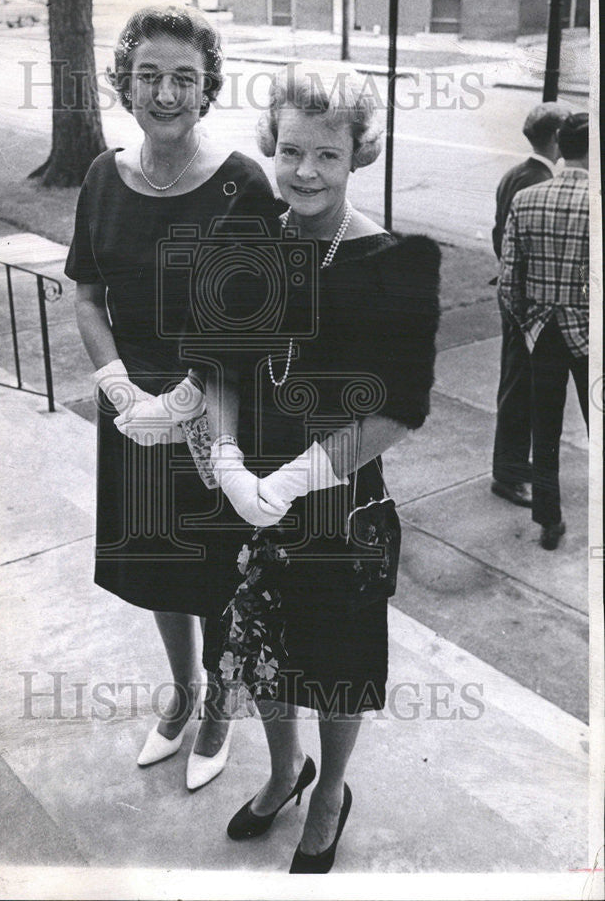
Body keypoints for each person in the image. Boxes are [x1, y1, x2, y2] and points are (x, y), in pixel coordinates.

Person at [203, 63, 440, 872]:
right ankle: (282, 772)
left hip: (338, 505)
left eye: (327, 156)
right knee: (266, 651)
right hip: (247, 498)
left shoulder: (392, 262)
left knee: (337, 665)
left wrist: (293, 480)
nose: (305, 172)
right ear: (272, 146)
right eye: (292, 150)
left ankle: (330, 789)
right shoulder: (249, 241)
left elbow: (397, 409)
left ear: (356, 157)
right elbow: (224, 369)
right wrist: (230, 458)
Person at [64, 6, 281, 789]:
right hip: (133, 411)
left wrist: (188, 396)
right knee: (158, 566)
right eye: (149, 74)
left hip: (216, 407)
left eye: (183, 78)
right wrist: (116, 383)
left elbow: (257, 317)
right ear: (125, 83)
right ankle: (185, 690)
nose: (164, 92)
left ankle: (222, 704)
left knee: (218, 570)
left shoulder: (239, 184)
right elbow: (88, 294)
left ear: (207, 89)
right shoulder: (100, 176)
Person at [498, 112, 589, 550]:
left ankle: (549, 522)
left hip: (544, 333)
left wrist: (530, 325)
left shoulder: (529, 199)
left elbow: (509, 280)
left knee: (545, 432)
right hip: (590, 333)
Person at [490, 102, 570, 506]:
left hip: (514, 297)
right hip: (528, 305)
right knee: (520, 390)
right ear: (556, 137)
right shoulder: (537, 183)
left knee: (517, 385)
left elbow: (497, 234)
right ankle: (508, 475)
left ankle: (512, 469)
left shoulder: (516, 175)